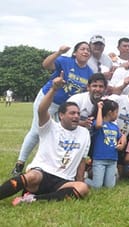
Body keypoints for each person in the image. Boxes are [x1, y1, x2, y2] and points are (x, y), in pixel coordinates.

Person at [12, 42, 94, 176]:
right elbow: (46, 65)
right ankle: (19, 165)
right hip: (48, 99)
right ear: (75, 53)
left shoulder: (89, 72)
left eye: (88, 50)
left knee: (57, 134)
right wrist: (58, 52)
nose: (86, 51)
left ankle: (50, 165)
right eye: (82, 49)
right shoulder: (65, 61)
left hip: (64, 107)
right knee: (37, 131)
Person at [7, 77, 90, 205]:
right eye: (72, 113)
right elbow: (41, 110)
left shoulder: (84, 133)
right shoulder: (50, 127)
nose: (76, 116)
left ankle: (32, 200)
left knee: (83, 188)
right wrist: (53, 89)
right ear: (61, 115)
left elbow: (82, 160)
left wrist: (80, 180)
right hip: (42, 174)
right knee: (32, 176)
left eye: (78, 114)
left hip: (64, 180)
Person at [86, 100, 126, 189]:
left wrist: (122, 144)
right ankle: (84, 179)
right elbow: (99, 125)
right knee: (97, 186)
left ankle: (111, 176)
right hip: (100, 159)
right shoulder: (96, 123)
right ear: (110, 112)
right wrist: (100, 108)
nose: (117, 115)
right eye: (116, 112)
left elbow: (122, 135)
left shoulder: (115, 126)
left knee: (109, 186)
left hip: (112, 158)